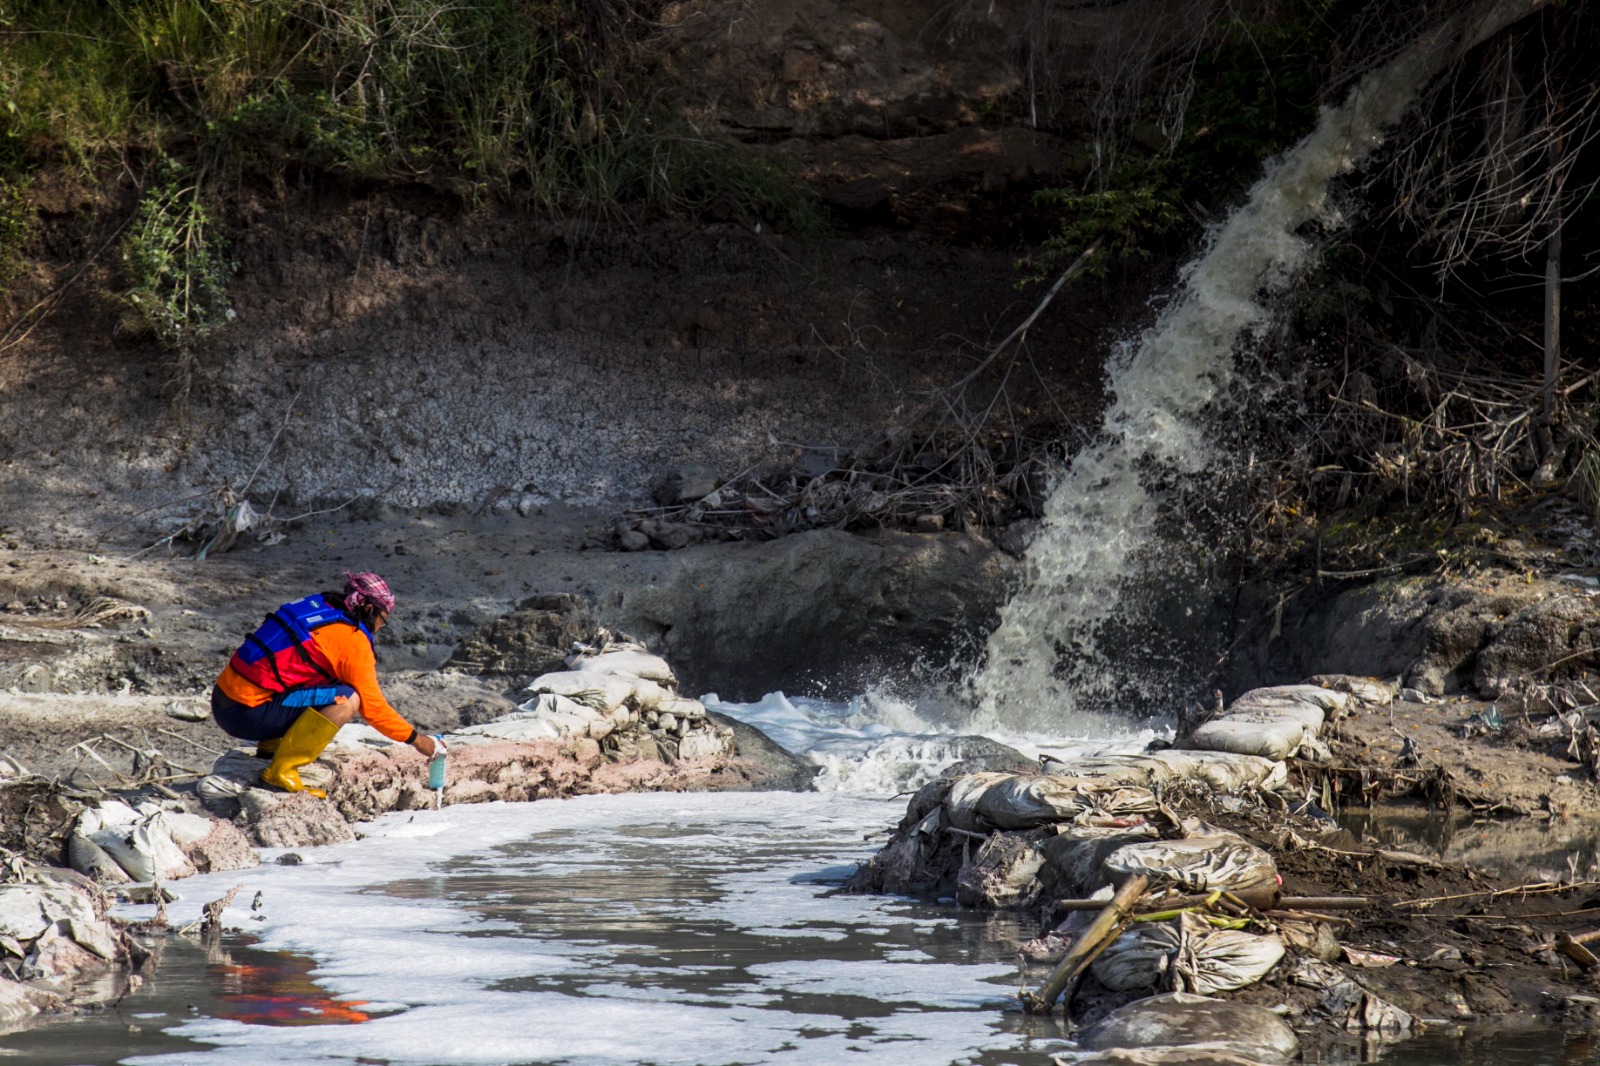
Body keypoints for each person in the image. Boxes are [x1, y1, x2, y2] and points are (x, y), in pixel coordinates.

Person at [211, 571, 438, 797]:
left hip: (223, 698)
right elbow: (374, 708)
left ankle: (270, 748)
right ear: (369, 610)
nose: (380, 626)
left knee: (318, 676)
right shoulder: (352, 642)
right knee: (347, 698)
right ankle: (282, 771)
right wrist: (416, 740)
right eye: (383, 619)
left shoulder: (320, 604)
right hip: (245, 716)